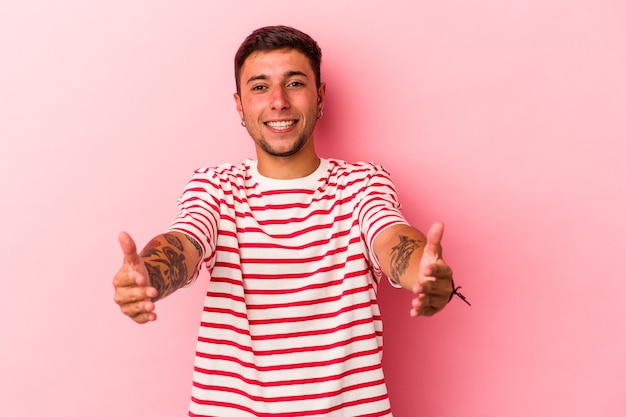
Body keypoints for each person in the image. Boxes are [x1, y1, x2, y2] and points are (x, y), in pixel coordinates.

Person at [113, 25, 467, 417]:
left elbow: (390, 236)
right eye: (260, 87)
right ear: (239, 103)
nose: (278, 102)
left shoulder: (362, 183)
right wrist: (149, 275)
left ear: (320, 96)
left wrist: (424, 273)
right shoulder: (215, 186)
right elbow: (185, 240)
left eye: (294, 83)